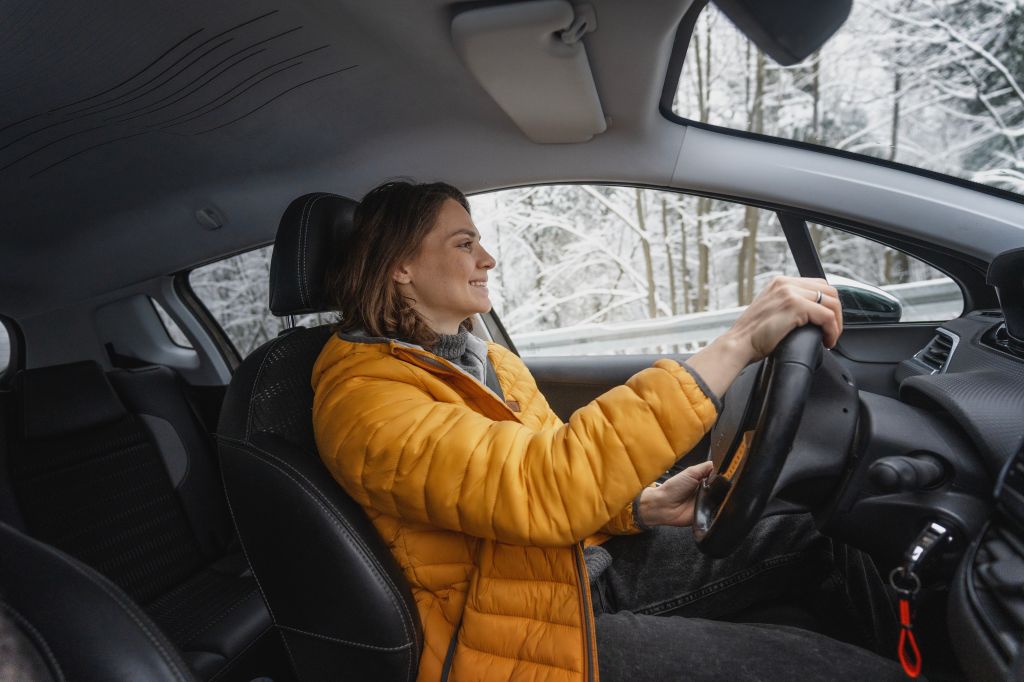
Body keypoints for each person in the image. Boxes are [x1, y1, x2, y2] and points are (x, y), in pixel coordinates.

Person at [311, 181, 906, 681]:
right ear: (401, 266)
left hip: (566, 572)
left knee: (807, 529)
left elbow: (547, 481)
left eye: (481, 242)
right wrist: (738, 343)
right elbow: (545, 487)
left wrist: (639, 507)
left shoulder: (484, 361)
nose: (487, 259)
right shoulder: (365, 401)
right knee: (821, 668)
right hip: (512, 635)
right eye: (465, 244)